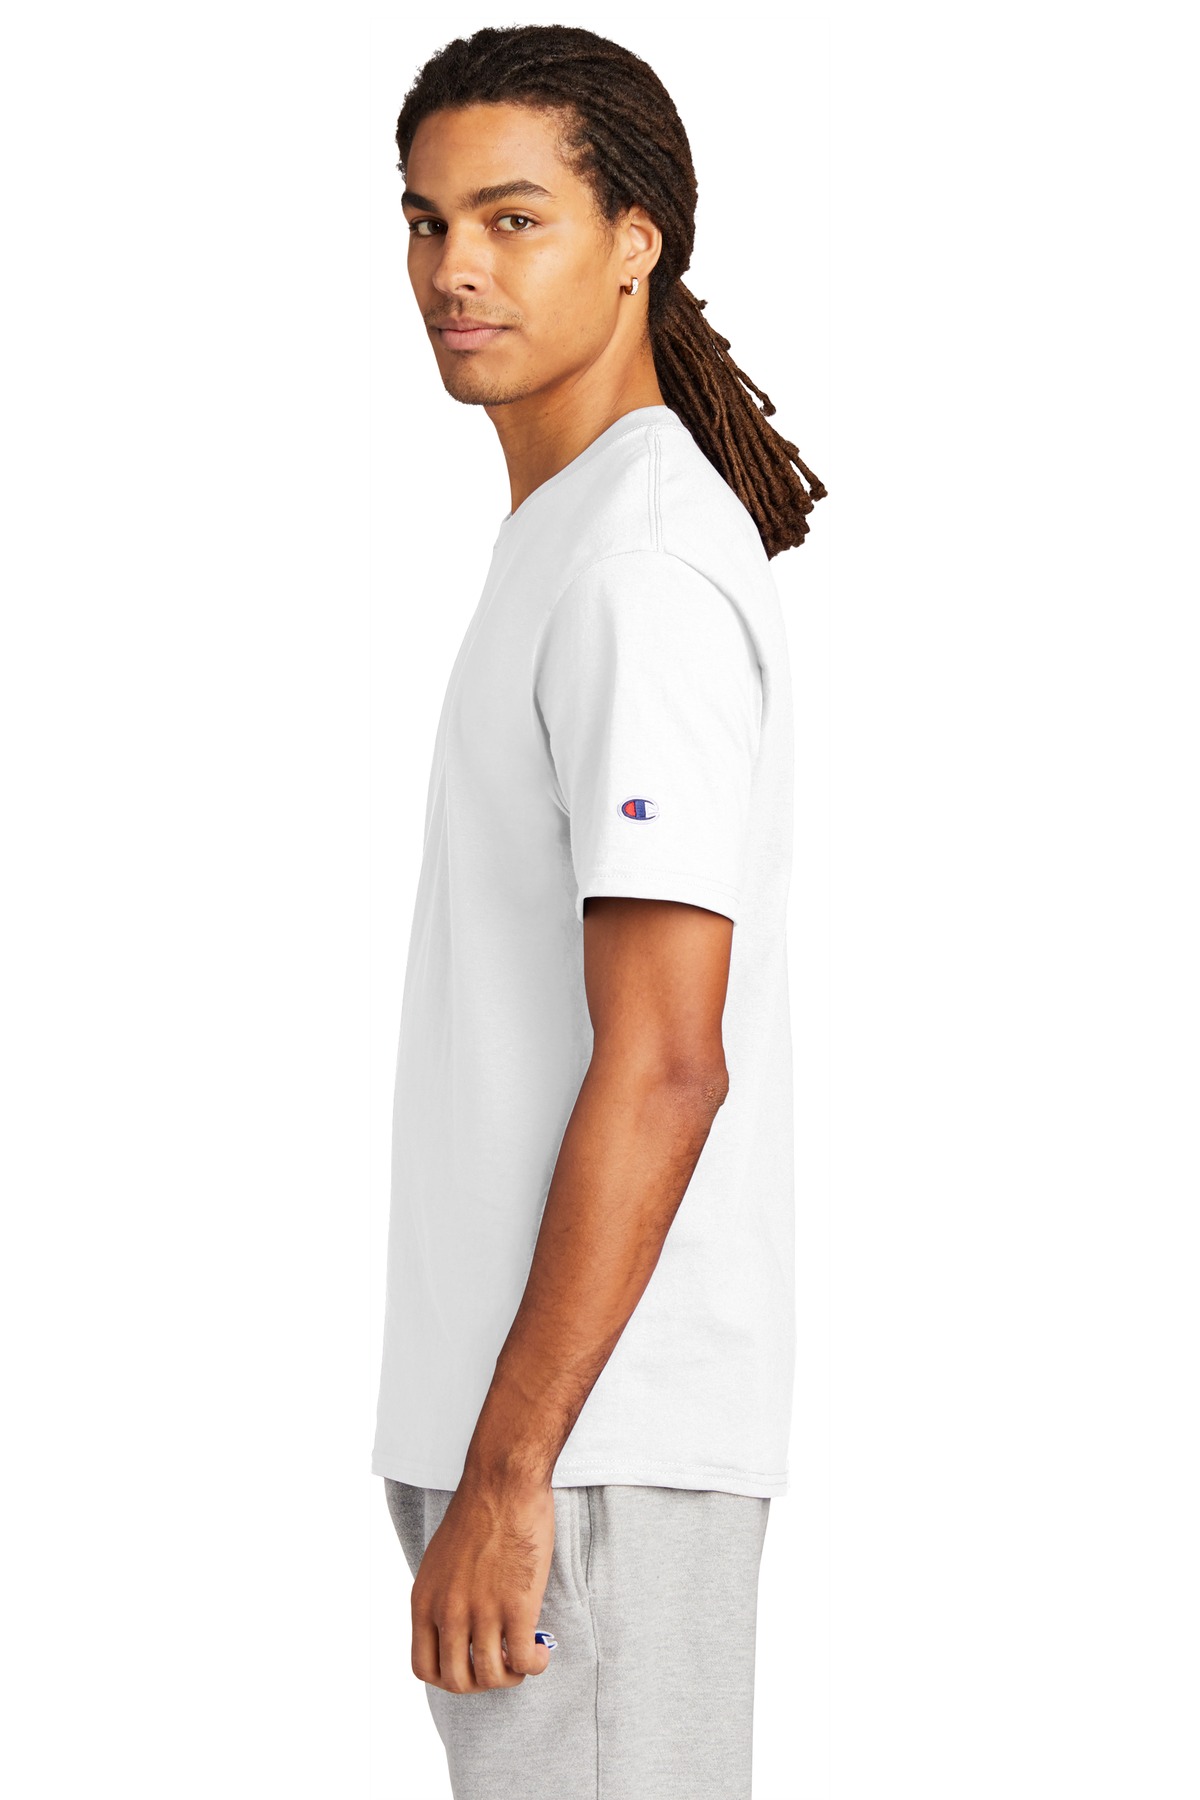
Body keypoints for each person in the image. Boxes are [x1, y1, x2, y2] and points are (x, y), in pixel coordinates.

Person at [370, 23, 826, 1798]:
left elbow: (666, 1063)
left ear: (636, 240)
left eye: (513, 218)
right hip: (533, 1432)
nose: (454, 269)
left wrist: (512, 1471)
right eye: (426, 221)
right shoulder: (569, 536)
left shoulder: (638, 565)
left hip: (585, 1447)